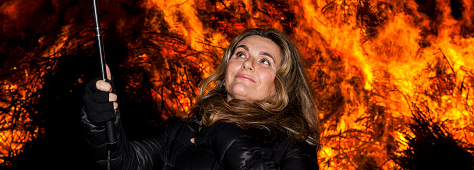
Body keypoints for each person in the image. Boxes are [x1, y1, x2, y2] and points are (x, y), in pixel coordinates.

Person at [82, 28, 320, 169]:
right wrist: (101, 121)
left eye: (264, 60)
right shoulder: (180, 131)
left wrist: (221, 131)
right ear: (226, 72)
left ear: (281, 86)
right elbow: (123, 163)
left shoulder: (294, 144)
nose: (247, 63)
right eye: (240, 54)